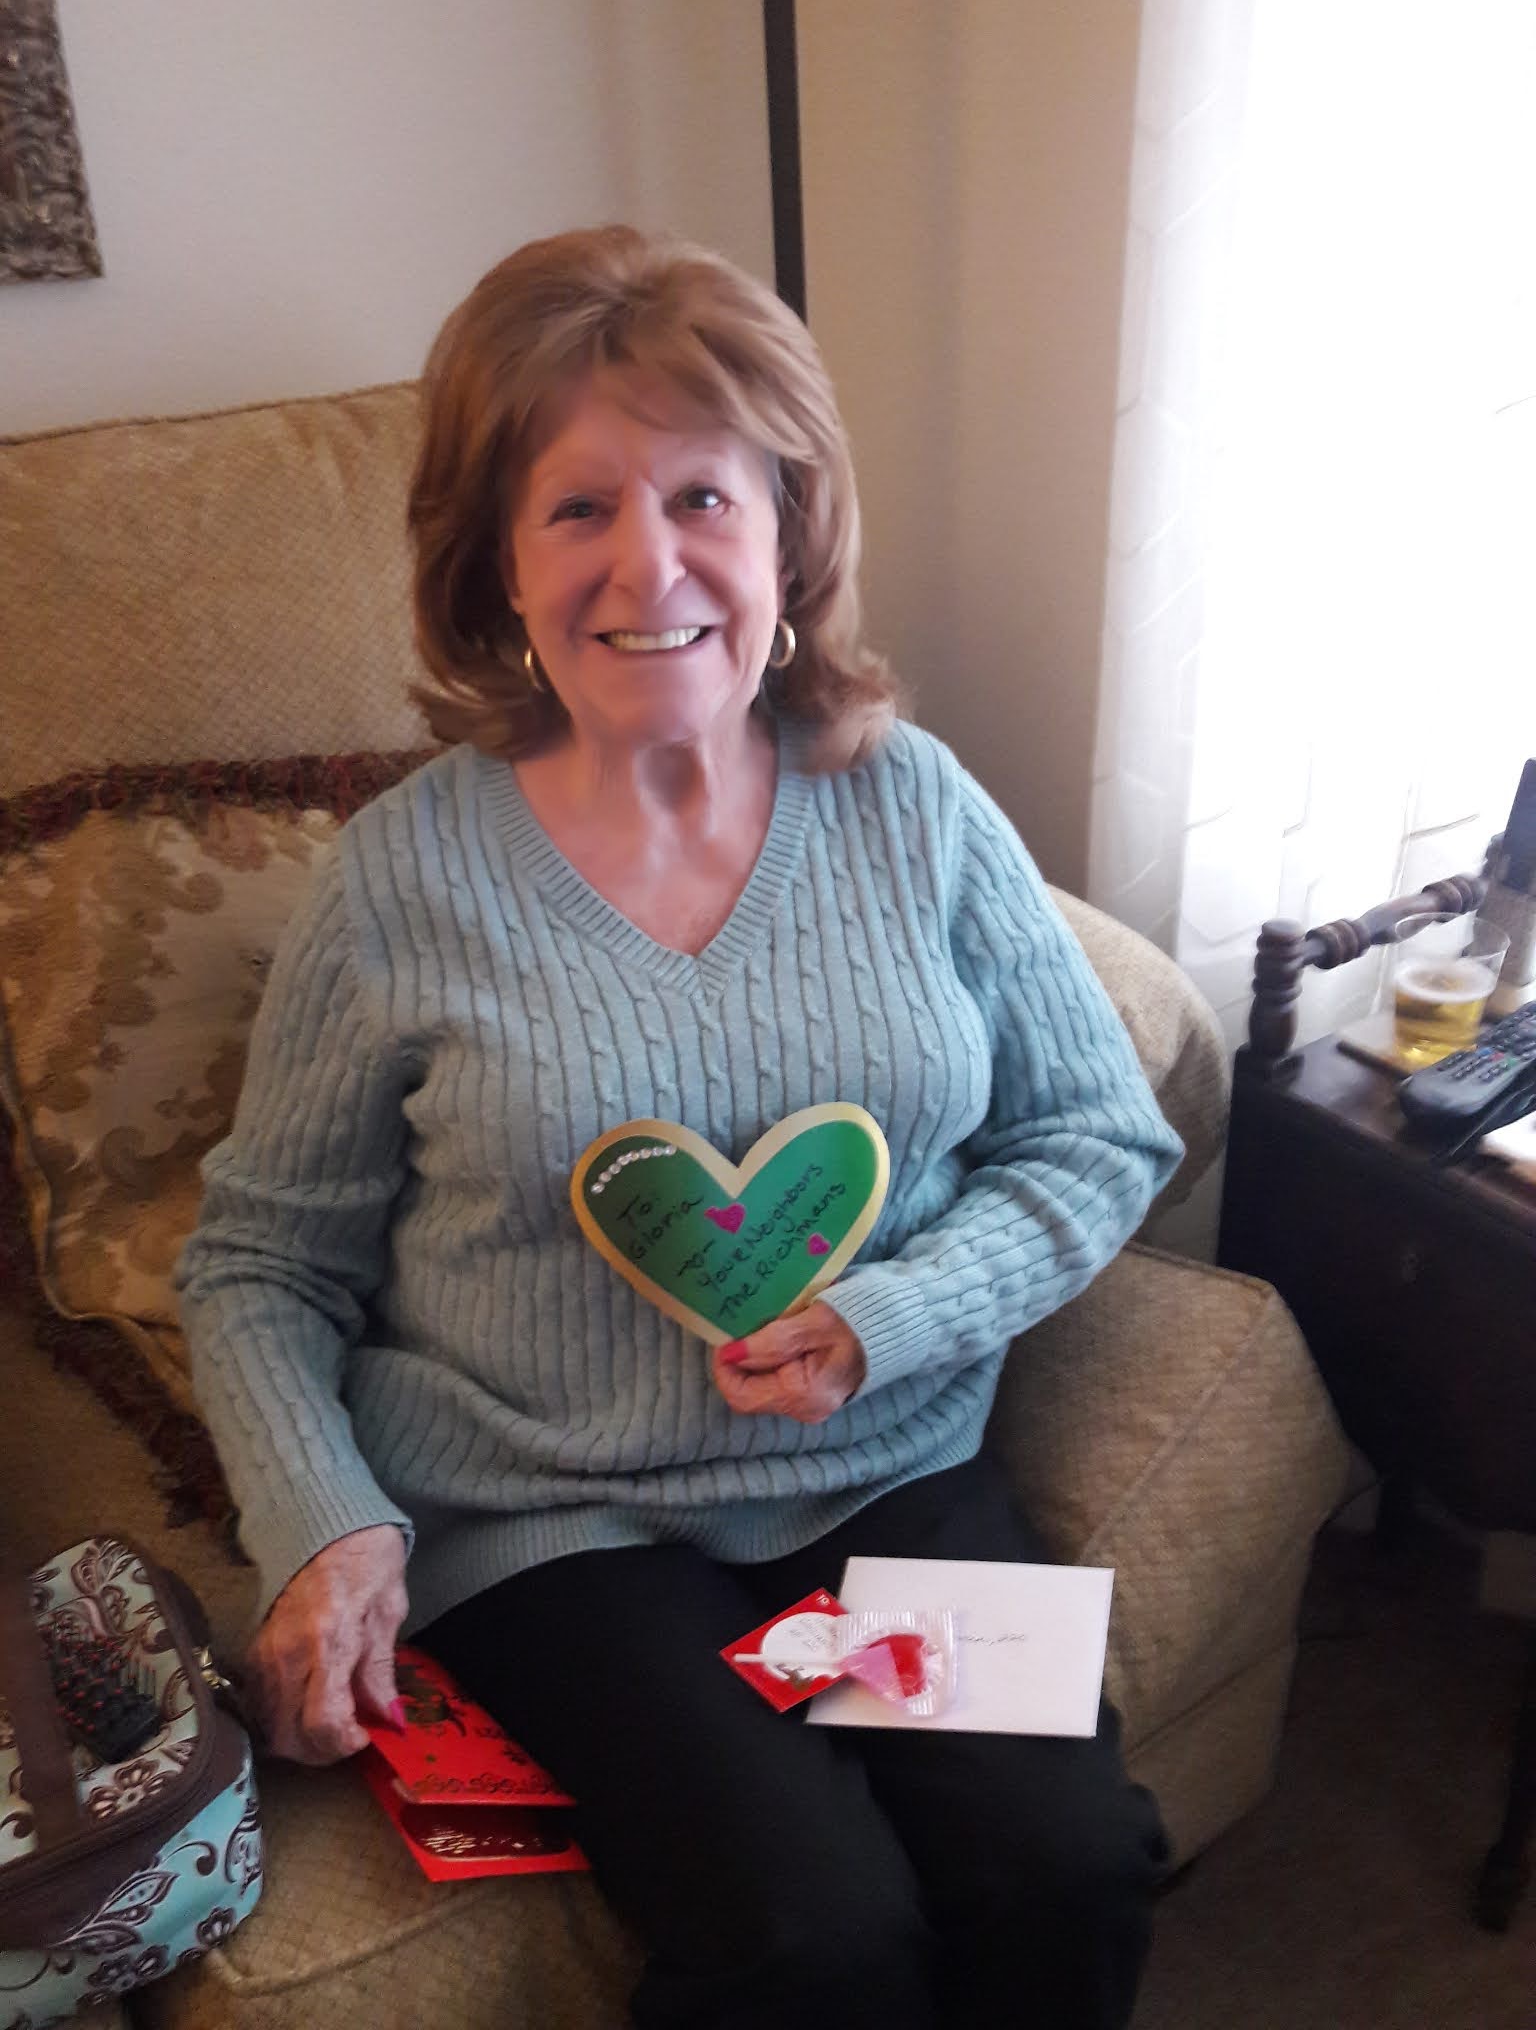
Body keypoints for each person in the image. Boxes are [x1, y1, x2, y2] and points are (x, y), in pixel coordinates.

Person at [175, 224, 1182, 2030]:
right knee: (814, 1939)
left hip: (888, 1471)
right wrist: (325, 1525)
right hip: (555, 1522)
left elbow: (1099, 1137)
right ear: (496, 561)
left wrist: (892, 1318)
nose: (650, 565)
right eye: (579, 509)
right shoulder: (398, 885)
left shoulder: (917, 807)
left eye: (704, 496)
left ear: (791, 526)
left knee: (1072, 1865)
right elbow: (261, 1263)